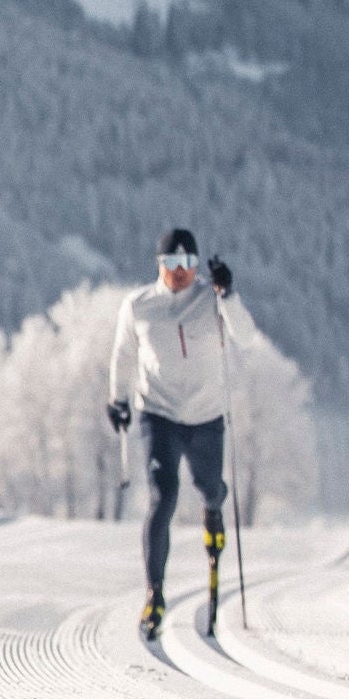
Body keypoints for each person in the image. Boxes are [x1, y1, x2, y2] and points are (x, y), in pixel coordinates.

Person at [106, 228, 256, 640]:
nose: (179, 273)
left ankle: (213, 512)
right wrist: (117, 399)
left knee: (210, 487)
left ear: (197, 266)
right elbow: (123, 354)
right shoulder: (139, 305)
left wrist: (229, 294)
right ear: (159, 265)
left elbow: (246, 336)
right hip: (159, 414)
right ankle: (154, 594)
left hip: (206, 416)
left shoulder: (212, 299)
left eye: (188, 264)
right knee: (163, 496)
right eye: (171, 264)